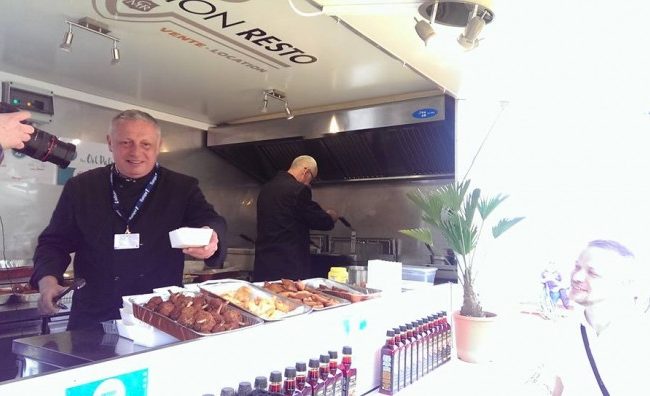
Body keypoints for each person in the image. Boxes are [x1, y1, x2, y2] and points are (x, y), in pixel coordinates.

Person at [30, 109, 227, 330]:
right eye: (126, 142)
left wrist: (211, 238)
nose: (136, 152)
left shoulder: (181, 188)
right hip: (93, 315)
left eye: (146, 144)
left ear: (159, 145)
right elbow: (54, 243)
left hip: (159, 317)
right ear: (110, 142)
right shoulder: (82, 187)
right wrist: (47, 281)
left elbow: (211, 220)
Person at [551, 240, 650, 395]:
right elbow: (559, 388)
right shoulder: (566, 330)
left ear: (622, 284)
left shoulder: (640, 341)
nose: (577, 276)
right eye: (577, 266)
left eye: (593, 273)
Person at [253, 155, 338, 282]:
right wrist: (331, 216)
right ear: (306, 171)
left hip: (263, 265)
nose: (309, 183)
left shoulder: (266, 188)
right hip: (288, 269)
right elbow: (319, 220)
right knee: (289, 301)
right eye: (311, 179)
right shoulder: (298, 190)